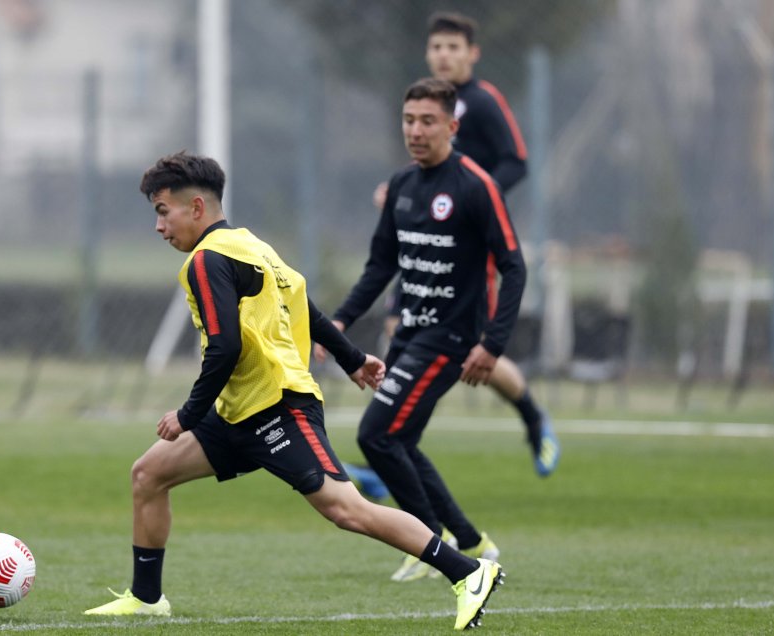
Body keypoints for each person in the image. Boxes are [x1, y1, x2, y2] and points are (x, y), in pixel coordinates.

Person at [84, 152, 504, 631]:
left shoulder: (207, 259)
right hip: (239, 409)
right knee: (148, 474)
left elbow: (224, 346)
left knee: (347, 510)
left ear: (196, 207)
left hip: (278, 407)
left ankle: (469, 571)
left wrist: (187, 414)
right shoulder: (252, 246)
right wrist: (352, 358)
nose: (159, 227)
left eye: (163, 211)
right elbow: (304, 304)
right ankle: (146, 598)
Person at [315, 77, 525, 583]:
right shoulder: (403, 187)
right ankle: (470, 542)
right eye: (409, 120)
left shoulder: (475, 185)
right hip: (410, 333)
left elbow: (513, 266)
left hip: (451, 339)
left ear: (452, 126)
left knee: (377, 435)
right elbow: (379, 266)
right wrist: (339, 321)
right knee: (399, 440)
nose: (416, 130)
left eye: (428, 121)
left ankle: (431, 541)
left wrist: (492, 344)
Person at [366, 12, 560, 492]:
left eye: (454, 47)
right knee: (403, 327)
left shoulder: (484, 100)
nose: (444, 55)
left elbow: (517, 161)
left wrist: (476, 197)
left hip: (472, 245)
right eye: (437, 47)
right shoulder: (427, 102)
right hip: (429, 245)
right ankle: (393, 448)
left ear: (472, 54)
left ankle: (534, 419)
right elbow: (429, 171)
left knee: (472, 347)